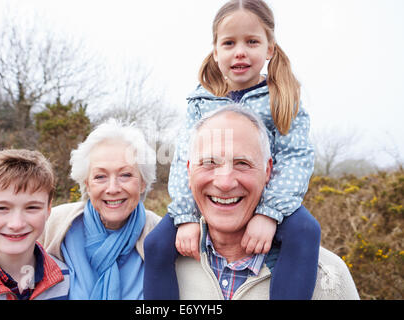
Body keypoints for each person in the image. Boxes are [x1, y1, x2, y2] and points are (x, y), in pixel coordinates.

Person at [144, 0, 321, 300]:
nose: (240, 51)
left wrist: (270, 213)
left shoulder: (282, 98)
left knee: (306, 232)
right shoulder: (201, 101)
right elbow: (186, 160)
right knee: (156, 245)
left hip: (269, 197)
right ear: (215, 52)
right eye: (229, 43)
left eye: (252, 41)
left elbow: (295, 158)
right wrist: (186, 215)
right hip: (213, 198)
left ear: (269, 49)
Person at [175, 105, 359, 299]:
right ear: (188, 171)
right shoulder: (166, 266)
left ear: (268, 172)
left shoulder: (328, 276)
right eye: (209, 162)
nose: (225, 183)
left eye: (242, 163)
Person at [40, 119, 161, 300]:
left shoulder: (160, 233)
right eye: (100, 176)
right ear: (87, 184)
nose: (112, 188)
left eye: (125, 175)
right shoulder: (53, 224)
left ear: (143, 183)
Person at [0, 149, 70, 300]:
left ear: (48, 210)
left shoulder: (67, 279)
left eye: (32, 208)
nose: (17, 224)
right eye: (1, 208)